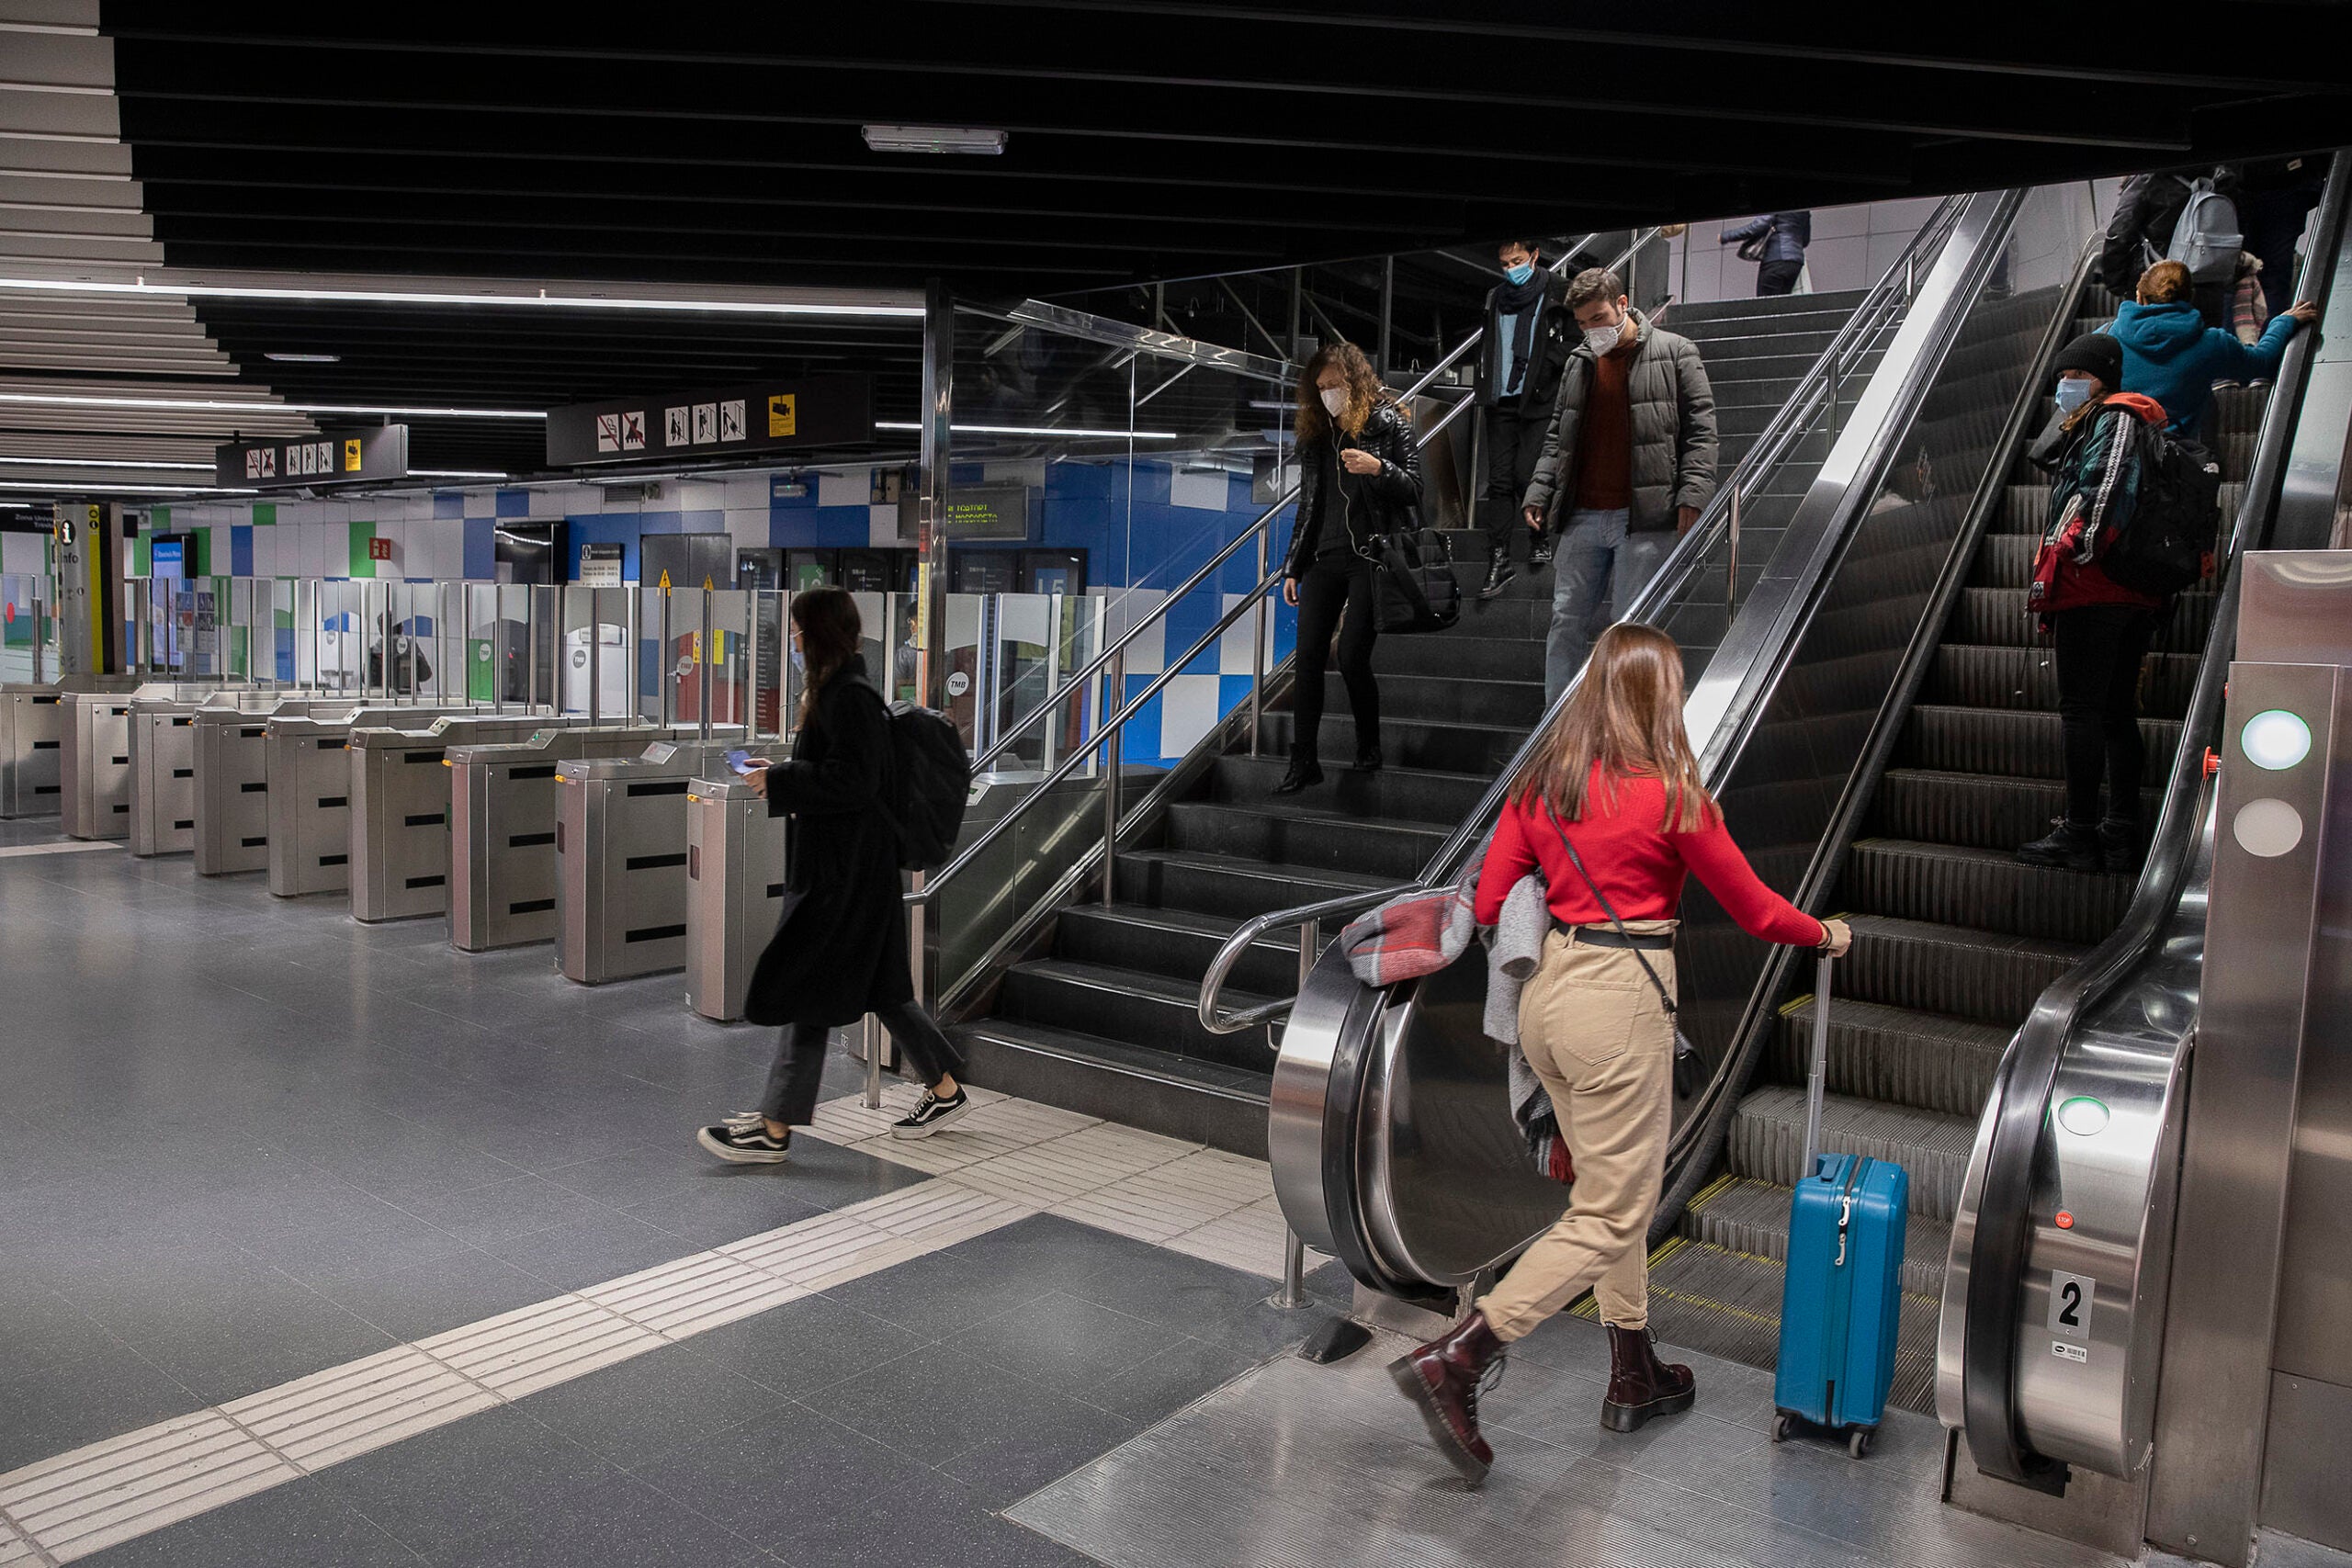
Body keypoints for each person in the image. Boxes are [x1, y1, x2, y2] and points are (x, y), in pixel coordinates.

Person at [1387, 623, 1851, 1485]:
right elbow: (1755, 911)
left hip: (1547, 1001)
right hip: (1618, 1002)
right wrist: (1823, 931)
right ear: (1657, 698)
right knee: (1607, 1208)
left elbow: (1491, 897)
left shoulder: (1542, 785)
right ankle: (1460, 1356)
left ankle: (1633, 1368)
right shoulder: (1673, 797)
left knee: (1614, 1189)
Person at [697, 588, 969, 1161]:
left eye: (798, 633)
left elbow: (855, 781)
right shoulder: (842, 693)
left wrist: (784, 782)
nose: (793, 643)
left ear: (816, 635)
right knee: (885, 989)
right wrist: (788, 773)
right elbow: (843, 772)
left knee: (808, 989)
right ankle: (944, 1088)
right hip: (855, 871)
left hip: (843, 877)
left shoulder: (847, 697)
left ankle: (774, 1129)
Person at [1521, 267, 1718, 704]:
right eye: (1583, 322)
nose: (1592, 329)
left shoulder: (1676, 352)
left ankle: (1623, 728)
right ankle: (1557, 727)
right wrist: (1539, 491)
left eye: (1599, 317)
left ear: (1623, 305)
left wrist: (1693, 496)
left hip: (1644, 517)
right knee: (1566, 621)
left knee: (1631, 631)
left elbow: (1701, 433)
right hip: (1582, 515)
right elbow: (1558, 436)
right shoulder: (1579, 364)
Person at [2018, 334, 2168, 875]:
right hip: (2121, 590)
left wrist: (2077, 552)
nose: (2064, 383)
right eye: (2061, 376)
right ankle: (2120, 832)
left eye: (2072, 374)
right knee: (2113, 711)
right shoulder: (2102, 417)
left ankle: (2081, 833)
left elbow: (2105, 487)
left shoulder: (2115, 416)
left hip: (2098, 587)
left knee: (2082, 710)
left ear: (2102, 376)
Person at [1275, 341, 1423, 793]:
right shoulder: (1318, 436)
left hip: (1371, 558)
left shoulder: (1388, 422)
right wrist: (1293, 565)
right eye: (1320, 388)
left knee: (1353, 655)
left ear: (1355, 382)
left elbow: (1415, 488)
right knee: (1308, 660)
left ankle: (1368, 744)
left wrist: (1379, 468)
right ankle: (1304, 761)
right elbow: (1309, 505)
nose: (1328, 395)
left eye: (1335, 385)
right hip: (1324, 557)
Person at [2112, 258, 2317, 441]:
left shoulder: (2108, 338)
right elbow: (2262, 362)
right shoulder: (2211, 343)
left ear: (2140, 297)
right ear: (2191, 296)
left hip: (2118, 445)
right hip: (2177, 455)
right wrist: (2282, 322)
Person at [1476, 238, 1575, 600]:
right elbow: (1489, 344)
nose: (1511, 268)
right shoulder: (1495, 298)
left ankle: (1539, 536)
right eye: (1504, 263)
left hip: (1538, 399)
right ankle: (1498, 558)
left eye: (1517, 260)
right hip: (1500, 399)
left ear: (1534, 255)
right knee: (1499, 481)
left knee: (1526, 473)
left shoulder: (1560, 290)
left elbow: (1575, 341)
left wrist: (1546, 368)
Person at [2100, 166, 2240, 328]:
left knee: (2153, 340)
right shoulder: (2222, 179)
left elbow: (2120, 231)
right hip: (2208, 283)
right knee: (2204, 343)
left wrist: (2116, 283)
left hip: (2158, 284)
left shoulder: (2148, 179)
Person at [1719, 210, 1812, 297]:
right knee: (1782, 305)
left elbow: (1758, 226)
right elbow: (1805, 240)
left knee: (1765, 306)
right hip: (1795, 262)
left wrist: (1727, 236)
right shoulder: (1805, 210)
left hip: (1775, 259)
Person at [366, 613, 431, 694]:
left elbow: (366, 679)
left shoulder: (374, 652)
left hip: (383, 699)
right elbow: (425, 675)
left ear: (381, 629)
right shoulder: (410, 647)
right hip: (410, 698)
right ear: (401, 628)